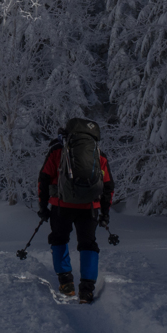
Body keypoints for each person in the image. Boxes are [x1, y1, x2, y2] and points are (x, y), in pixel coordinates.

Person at [37, 117, 114, 303]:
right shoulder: (98, 155)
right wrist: (104, 213)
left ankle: (66, 283)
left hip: (61, 205)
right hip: (89, 208)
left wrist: (43, 206)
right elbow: (109, 186)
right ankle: (86, 290)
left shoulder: (57, 151)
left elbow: (43, 179)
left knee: (59, 240)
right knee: (88, 244)